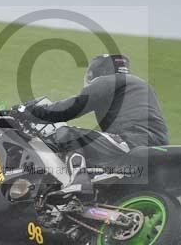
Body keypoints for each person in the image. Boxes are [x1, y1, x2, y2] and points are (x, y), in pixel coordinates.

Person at [23, 54, 169, 174]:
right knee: (92, 149)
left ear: (100, 72)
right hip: (152, 144)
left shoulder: (108, 81)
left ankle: (78, 180)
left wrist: (29, 112)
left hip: (133, 140)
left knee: (68, 134)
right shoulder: (139, 85)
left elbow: (71, 108)